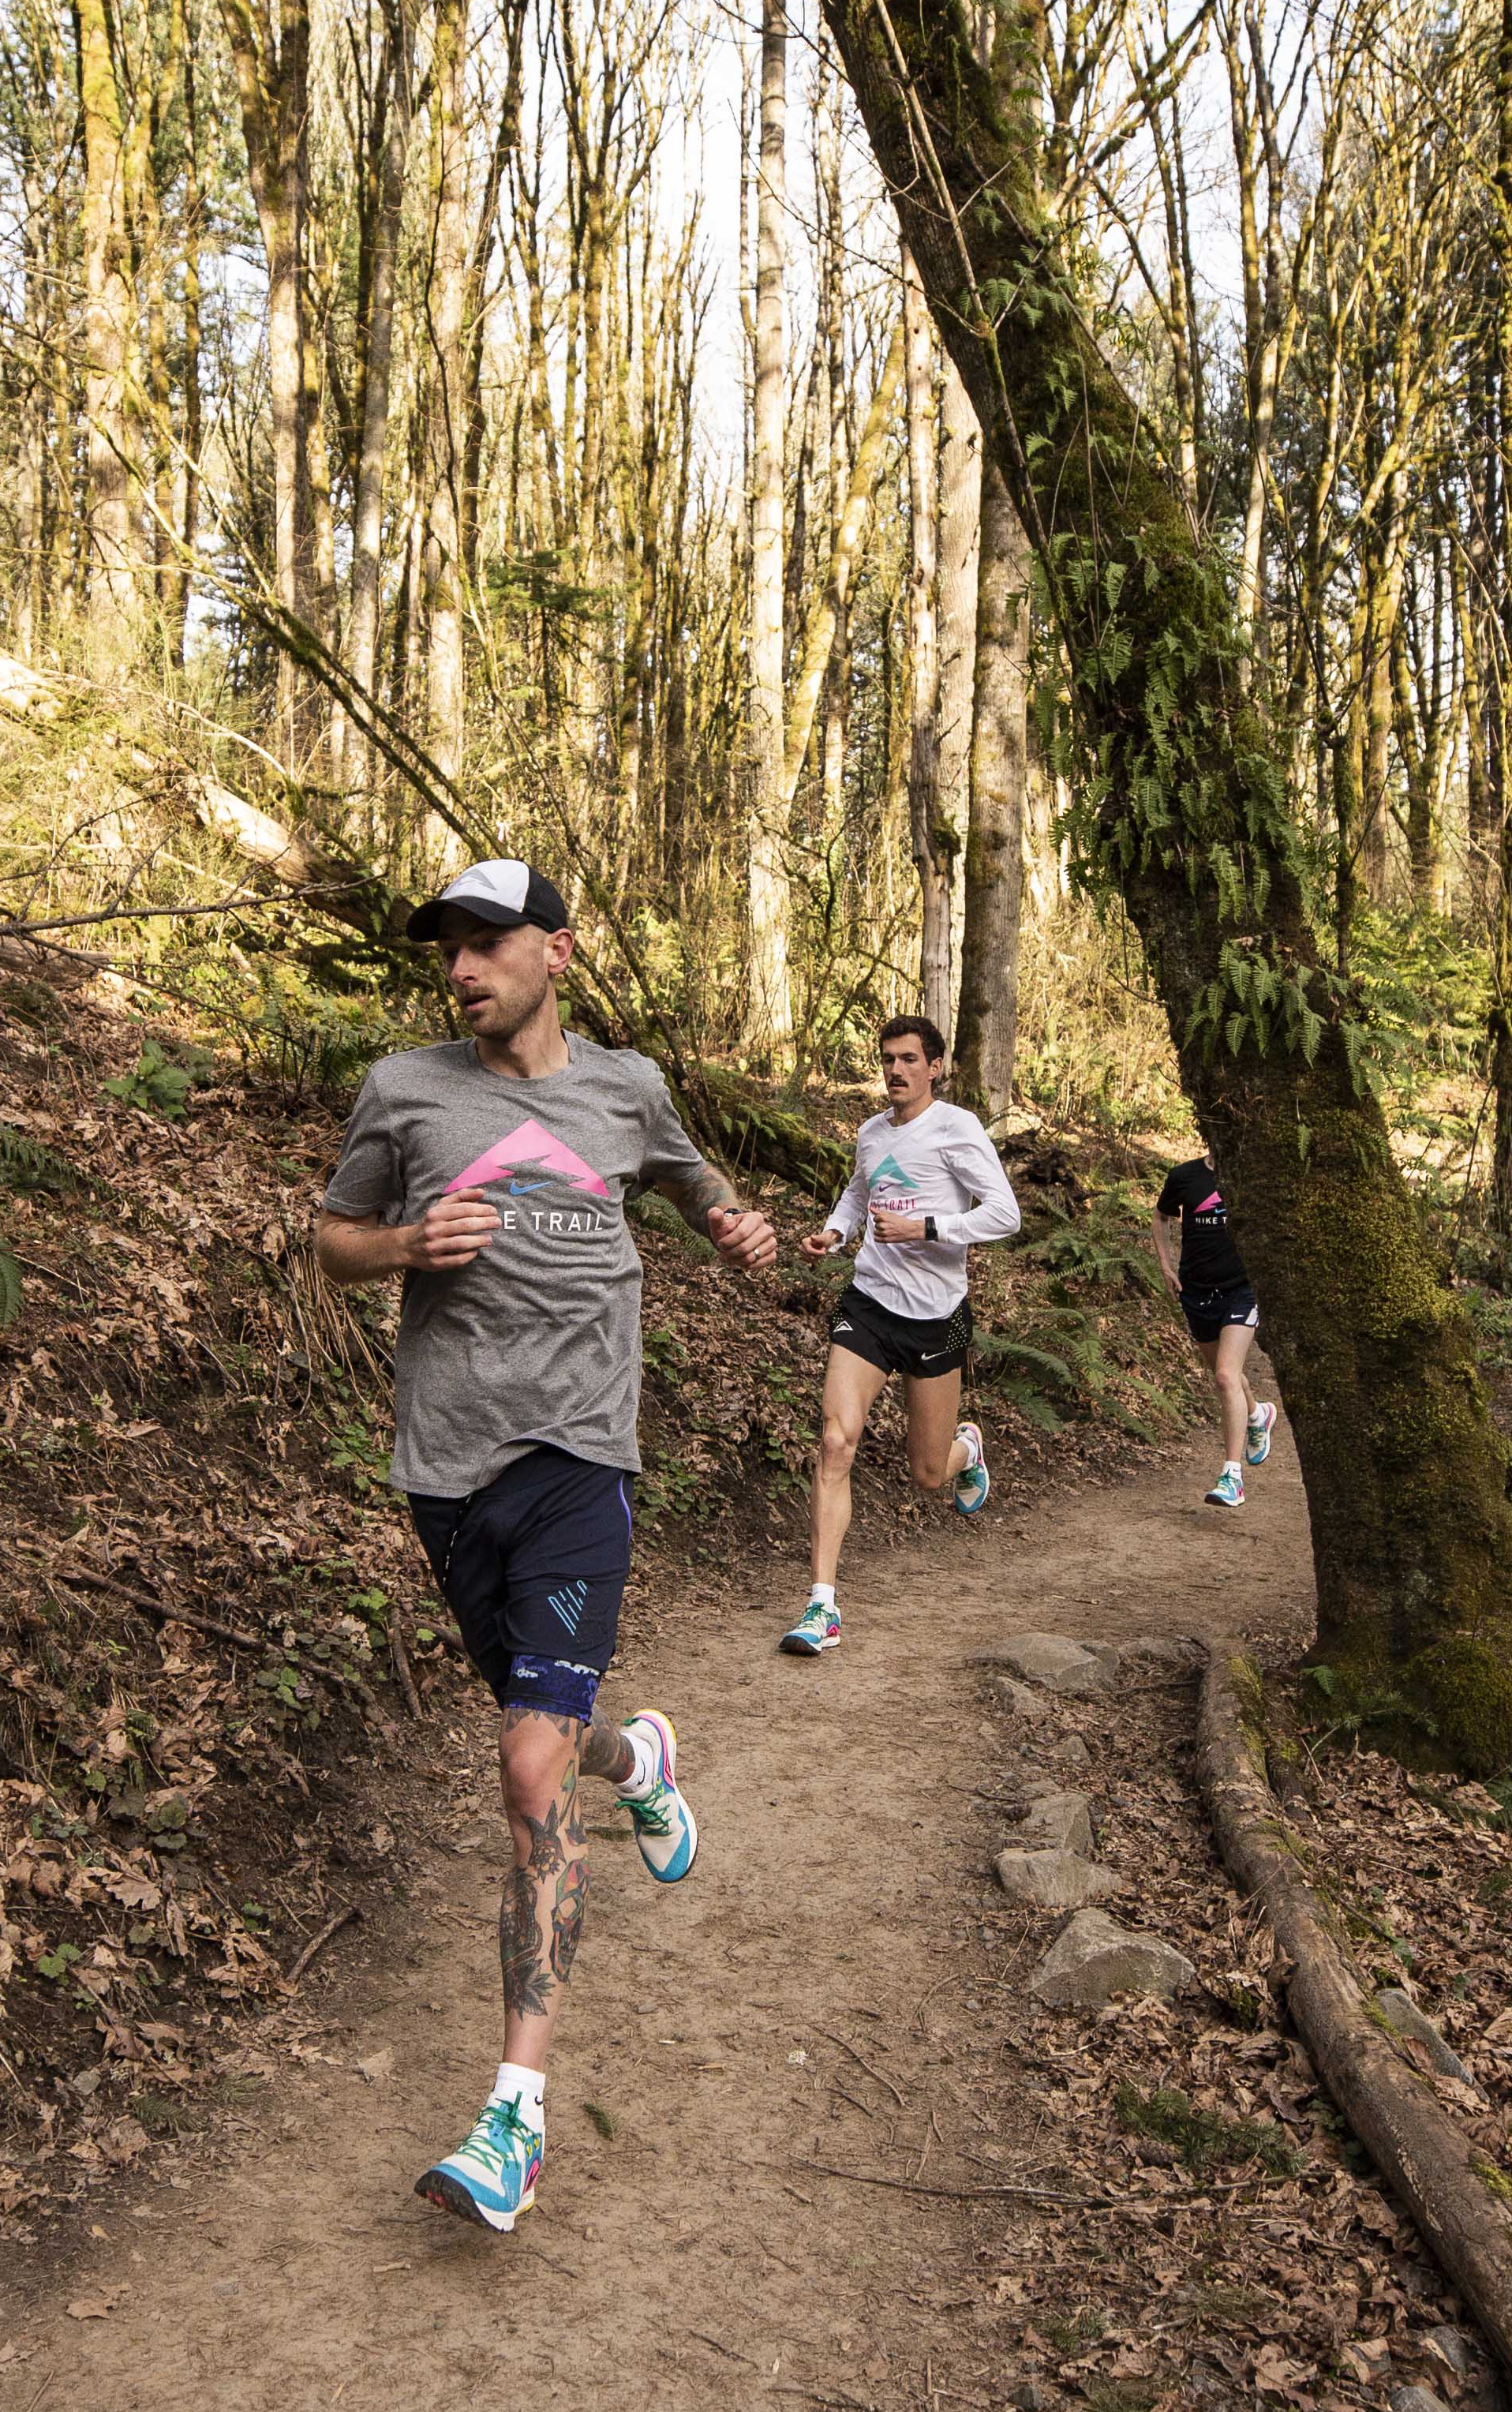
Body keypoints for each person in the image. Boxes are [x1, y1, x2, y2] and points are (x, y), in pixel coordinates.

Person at [313, 858, 780, 2234]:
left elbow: (698, 1187)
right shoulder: (403, 1090)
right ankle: (642, 1760)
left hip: (581, 1456)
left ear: (558, 953)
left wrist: (734, 1225)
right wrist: (405, 1241)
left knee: (522, 1763)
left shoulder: (627, 1090)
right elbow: (330, 1238)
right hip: (446, 1472)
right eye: (448, 951)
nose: (462, 970)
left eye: (488, 944)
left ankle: (511, 2116)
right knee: (555, 1738)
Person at [780, 1015, 1020, 1656]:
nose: (895, 1070)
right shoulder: (869, 1132)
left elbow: (1004, 1213)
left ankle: (966, 1450)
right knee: (836, 1440)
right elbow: (859, 1194)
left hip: (939, 1318)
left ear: (934, 1067)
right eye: (887, 1059)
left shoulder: (956, 1128)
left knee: (925, 1473)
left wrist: (928, 1229)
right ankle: (821, 1605)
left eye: (909, 1059)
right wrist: (833, 1232)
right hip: (869, 1305)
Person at [1154, 1151, 1277, 1507]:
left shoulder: (1253, 1176)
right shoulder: (1184, 1176)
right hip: (1196, 1292)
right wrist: (1165, 1265)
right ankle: (1258, 1413)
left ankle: (1232, 1477)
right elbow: (1160, 1216)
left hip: (1242, 1290)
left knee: (1225, 1376)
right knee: (1227, 1375)